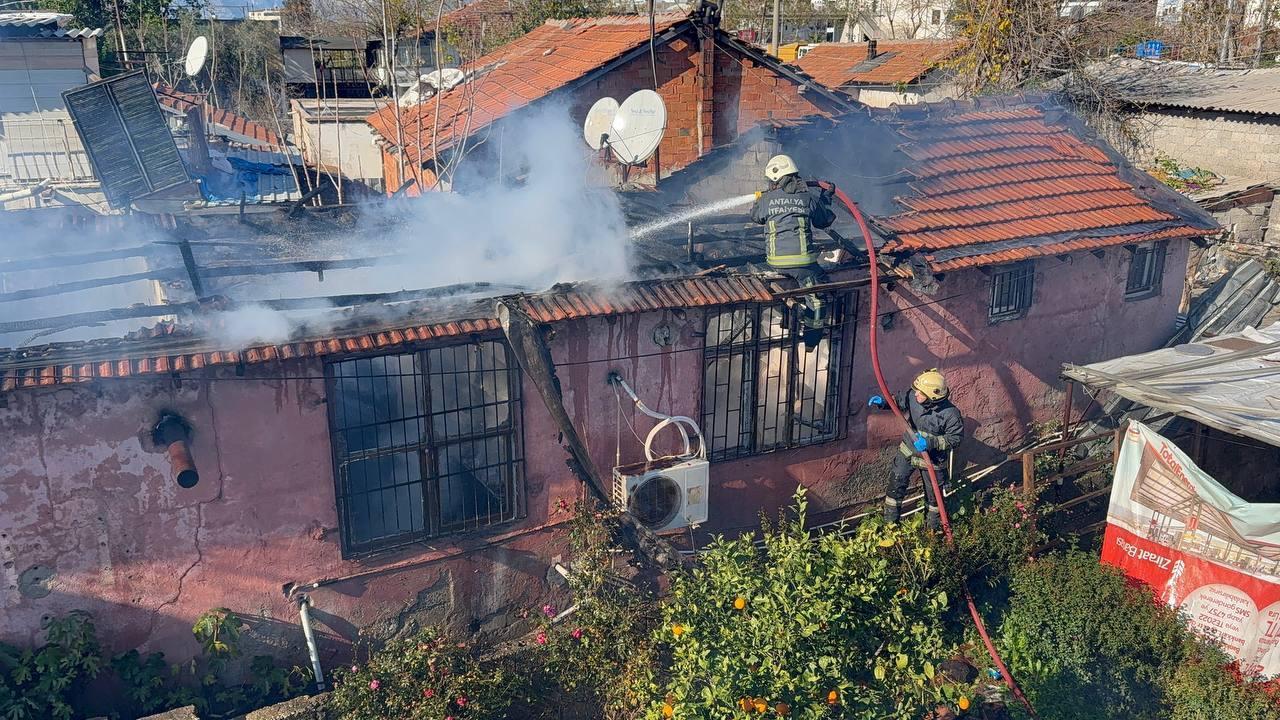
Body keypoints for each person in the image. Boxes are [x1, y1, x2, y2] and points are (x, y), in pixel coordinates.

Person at [750, 154, 835, 346]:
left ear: (775, 179)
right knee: (817, 298)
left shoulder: (766, 199)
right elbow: (825, 220)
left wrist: (761, 200)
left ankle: (790, 311)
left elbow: (755, 217)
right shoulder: (807, 198)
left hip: (775, 262)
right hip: (803, 265)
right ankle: (812, 340)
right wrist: (826, 197)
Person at [868, 369, 963, 530]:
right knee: (895, 488)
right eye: (916, 391)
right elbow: (899, 401)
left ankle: (932, 533)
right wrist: (883, 402)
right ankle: (890, 529)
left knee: (934, 500)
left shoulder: (951, 414)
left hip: (933, 460)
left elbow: (955, 438)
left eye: (921, 393)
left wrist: (931, 443)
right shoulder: (913, 396)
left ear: (933, 397)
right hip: (908, 451)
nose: (916, 394)